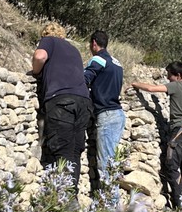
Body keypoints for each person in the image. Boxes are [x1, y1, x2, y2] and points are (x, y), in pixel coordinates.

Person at [130, 61, 182, 209]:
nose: (168, 78)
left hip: (179, 133)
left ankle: (180, 206)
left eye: (169, 75)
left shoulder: (175, 85)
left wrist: (134, 83)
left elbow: (152, 88)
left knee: (171, 167)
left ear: (177, 75)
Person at [29, 22, 92, 194]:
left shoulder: (49, 40)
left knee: (61, 149)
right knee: (74, 150)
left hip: (61, 101)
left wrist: (35, 72)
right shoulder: (74, 50)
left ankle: (65, 200)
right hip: (83, 103)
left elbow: (40, 56)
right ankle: (72, 195)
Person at [84, 30, 125, 191]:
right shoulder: (117, 63)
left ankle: (110, 211)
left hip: (106, 115)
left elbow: (84, 79)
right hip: (118, 114)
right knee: (111, 163)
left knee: (106, 166)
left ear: (94, 43)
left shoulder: (98, 59)